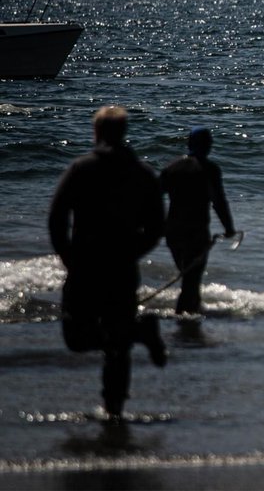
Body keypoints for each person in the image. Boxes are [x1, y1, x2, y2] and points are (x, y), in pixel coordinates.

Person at [48, 105, 167, 419]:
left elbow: (57, 219)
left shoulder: (81, 168)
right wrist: (133, 253)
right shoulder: (142, 173)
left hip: (85, 264)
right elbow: (156, 226)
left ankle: (114, 409)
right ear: (124, 132)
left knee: (76, 337)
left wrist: (68, 257)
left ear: (96, 132)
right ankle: (115, 406)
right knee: (118, 342)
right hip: (122, 268)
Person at [161, 126, 237, 315]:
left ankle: (191, 315)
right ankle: (184, 323)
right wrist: (229, 228)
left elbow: (151, 198)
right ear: (207, 146)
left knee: (188, 277)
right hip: (196, 233)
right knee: (191, 281)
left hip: (173, 233)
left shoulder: (171, 167)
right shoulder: (210, 169)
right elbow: (218, 202)